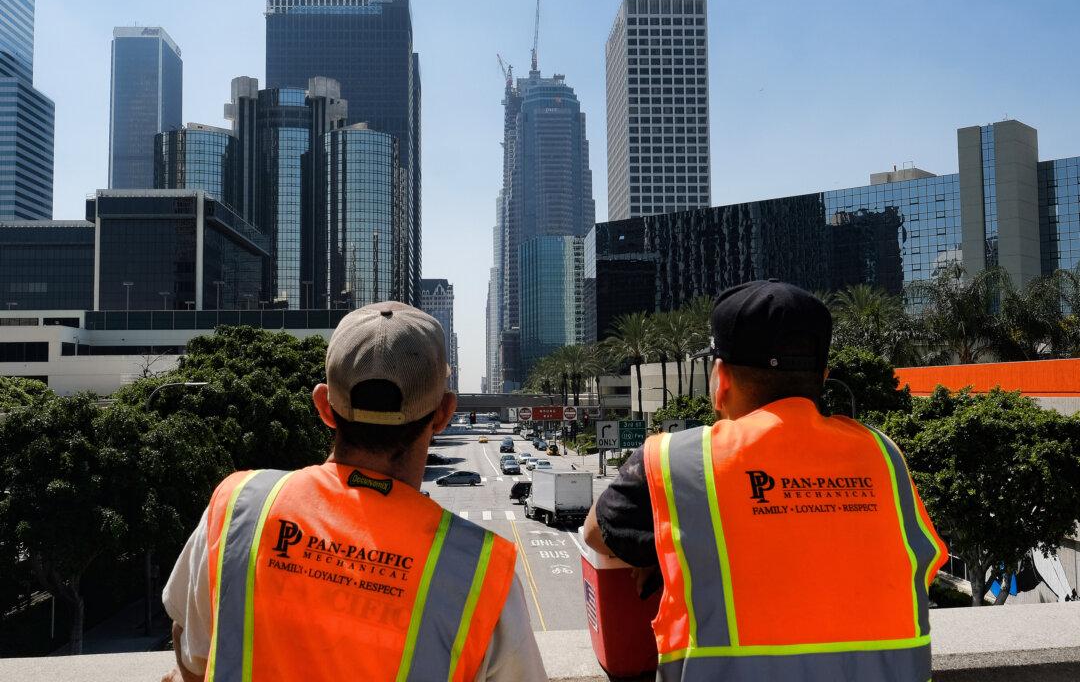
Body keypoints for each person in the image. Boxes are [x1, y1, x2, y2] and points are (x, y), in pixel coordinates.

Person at [162, 301, 546, 682]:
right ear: (444, 413)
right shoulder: (479, 574)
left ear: (324, 407)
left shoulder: (236, 507)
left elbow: (192, 650)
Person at [583, 280, 948, 681]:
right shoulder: (883, 456)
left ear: (720, 379)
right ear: (822, 376)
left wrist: (668, 558)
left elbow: (598, 532)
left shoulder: (677, 461)